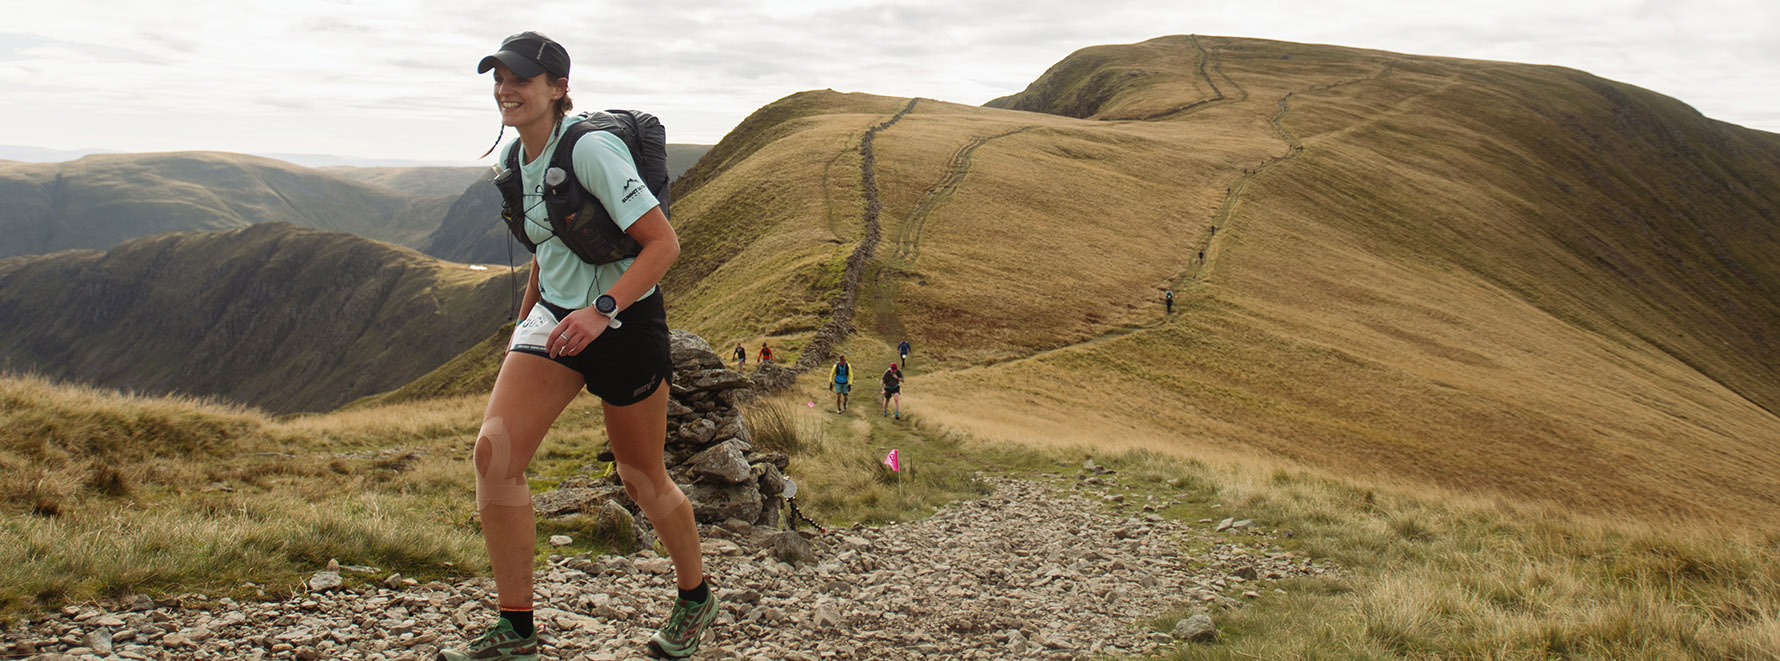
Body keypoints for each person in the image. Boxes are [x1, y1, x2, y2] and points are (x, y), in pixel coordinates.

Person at [444, 32, 716, 661]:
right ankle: (516, 629)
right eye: (499, 78)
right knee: (494, 456)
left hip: (623, 321)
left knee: (641, 476)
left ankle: (695, 596)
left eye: (520, 79)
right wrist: (526, 323)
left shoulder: (590, 149)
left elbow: (663, 244)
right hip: (554, 319)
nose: (506, 90)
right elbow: (550, 242)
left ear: (558, 88)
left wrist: (602, 310)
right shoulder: (516, 157)